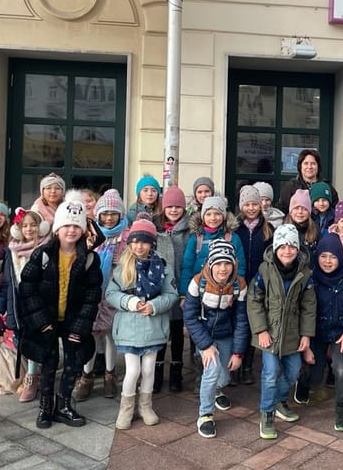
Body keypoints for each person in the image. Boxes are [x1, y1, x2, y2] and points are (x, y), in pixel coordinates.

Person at [18, 192, 103, 430]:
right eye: (66, 226)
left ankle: (64, 403)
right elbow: (27, 288)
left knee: (74, 362)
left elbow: (92, 294)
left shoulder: (89, 259)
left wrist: (81, 325)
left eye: (76, 226)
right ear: (57, 228)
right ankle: (46, 406)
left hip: (73, 318)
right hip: (46, 318)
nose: (71, 231)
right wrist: (40, 321)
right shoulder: (42, 254)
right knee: (48, 361)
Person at [106, 216, 178, 429]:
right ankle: (126, 408)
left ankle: (145, 405)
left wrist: (155, 305)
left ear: (152, 243)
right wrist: (129, 301)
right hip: (129, 327)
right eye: (135, 241)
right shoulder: (122, 266)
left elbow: (172, 294)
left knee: (148, 370)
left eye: (144, 241)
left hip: (153, 326)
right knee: (132, 371)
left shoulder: (163, 267)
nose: (139, 246)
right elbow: (111, 293)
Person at [248, 224, 316, 440]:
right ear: (276, 248)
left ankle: (279, 399)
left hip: (292, 334)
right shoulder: (264, 271)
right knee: (269, 374)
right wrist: (260, 329)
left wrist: (306, 335)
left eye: (292, 246)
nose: (287, 251)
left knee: (294, 371)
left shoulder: (305, 274)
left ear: (298, 249)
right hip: (268, 333)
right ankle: (267, 413)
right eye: (283, 246)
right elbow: (254, 300)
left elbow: (309, 306)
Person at [184, 239, 249, 438]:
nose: (223, 269)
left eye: (227, 263)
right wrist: (205, 345)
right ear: (211, 264)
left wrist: (238, 352)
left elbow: (241, 320)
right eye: (218, 263)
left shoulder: (239, 285)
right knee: (212, 370)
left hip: (226, 334)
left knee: (225, 375)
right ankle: (205, 414)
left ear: (234, 265)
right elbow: (189, 316)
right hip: (204, 333)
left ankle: (217, 390)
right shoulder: (198, 282)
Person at [302, 234, 343, 431]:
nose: (328, 261)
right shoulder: (311, 280)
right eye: (323, 256)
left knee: (340, 368)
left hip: (341, 333)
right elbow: (304, 310)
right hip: (317, 333)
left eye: (333, 256)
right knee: (314, 373)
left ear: (340, 257)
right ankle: (303, 385)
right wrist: (307, 340)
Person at [75, 189, 129, 402]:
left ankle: (109, 374)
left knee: (110, 335)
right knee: (91, 333)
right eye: (105, 213)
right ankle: (86, 376)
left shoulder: (126, 235)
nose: (108, 218)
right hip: (91, 291)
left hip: (115, 291)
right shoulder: (90, 233)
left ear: (120, 215)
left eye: (113, 213)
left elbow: (128, 264)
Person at [0, 208, 51, 403]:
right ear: (17, 229)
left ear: (42, 227)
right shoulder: (12, 251)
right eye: (25, 225)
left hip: (40, 302)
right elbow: (8, 283)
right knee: (24, 339)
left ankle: (34, 376)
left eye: (33, 225)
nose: (29, 229)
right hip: (20, 303)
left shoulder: (46, 249)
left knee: (41, 339)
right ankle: (30, 374)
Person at [234, 185, 274, 385]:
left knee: (252, 325)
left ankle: (248, 365)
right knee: (236, 324)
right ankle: (235, 366)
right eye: (247, 204)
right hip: (237, 282)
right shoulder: (234, 228)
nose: (251, 208)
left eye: (255, 204)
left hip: (258, 283)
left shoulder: (268, 230)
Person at [154, 186, 190, 392]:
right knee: (160, 332)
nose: (174, 210)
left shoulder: (188, 231)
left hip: (180, 287)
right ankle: (157, 372)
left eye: (178, 207)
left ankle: (176, 371)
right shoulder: (157, 228)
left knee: (177, 331)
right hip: (160, 288)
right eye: (170, 207)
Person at [277, 149, 338, 214]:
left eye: (313, 163)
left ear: (318, 166)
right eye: (306, 163)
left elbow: (336, 210)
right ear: (300, 166)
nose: (309, 167)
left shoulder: (327, 187)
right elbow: (282, 210)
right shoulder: (291, 187)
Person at [284, 189, 320, 255]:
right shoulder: (282, 230)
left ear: (309, 213)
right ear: (291, 212)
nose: (300, 212)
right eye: (296, 208)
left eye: (304, 209)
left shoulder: (316, 230)